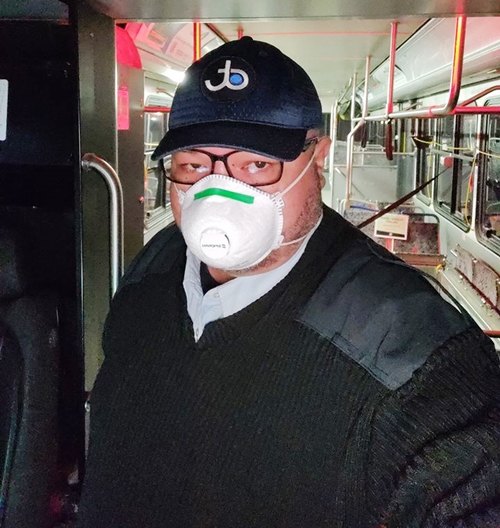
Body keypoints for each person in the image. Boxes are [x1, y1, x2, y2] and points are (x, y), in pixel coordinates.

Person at [78, 37, 500, 528]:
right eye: (193, 166)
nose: (217, 196)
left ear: (317, 159)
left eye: (257, 165)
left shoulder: (411, 352)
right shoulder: (154, 267)